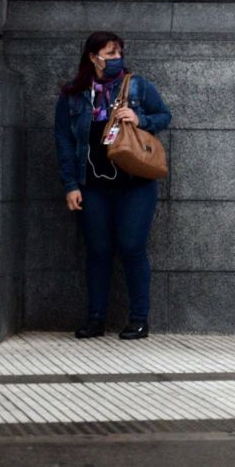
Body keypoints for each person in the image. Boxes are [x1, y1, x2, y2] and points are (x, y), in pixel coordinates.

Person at [54, 31, 171, 340]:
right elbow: (64, 141)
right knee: (98, 251)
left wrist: (139, 117)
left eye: (119, 53)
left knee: (132, 247)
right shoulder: (72, 95)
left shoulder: (138, 86)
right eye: (110, 54)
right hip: (91, 185)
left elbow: (164, 115)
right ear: (93, 58)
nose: (117, 59)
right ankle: (95, 319)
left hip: (136, 183)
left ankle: (139, 319)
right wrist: (70, 185)